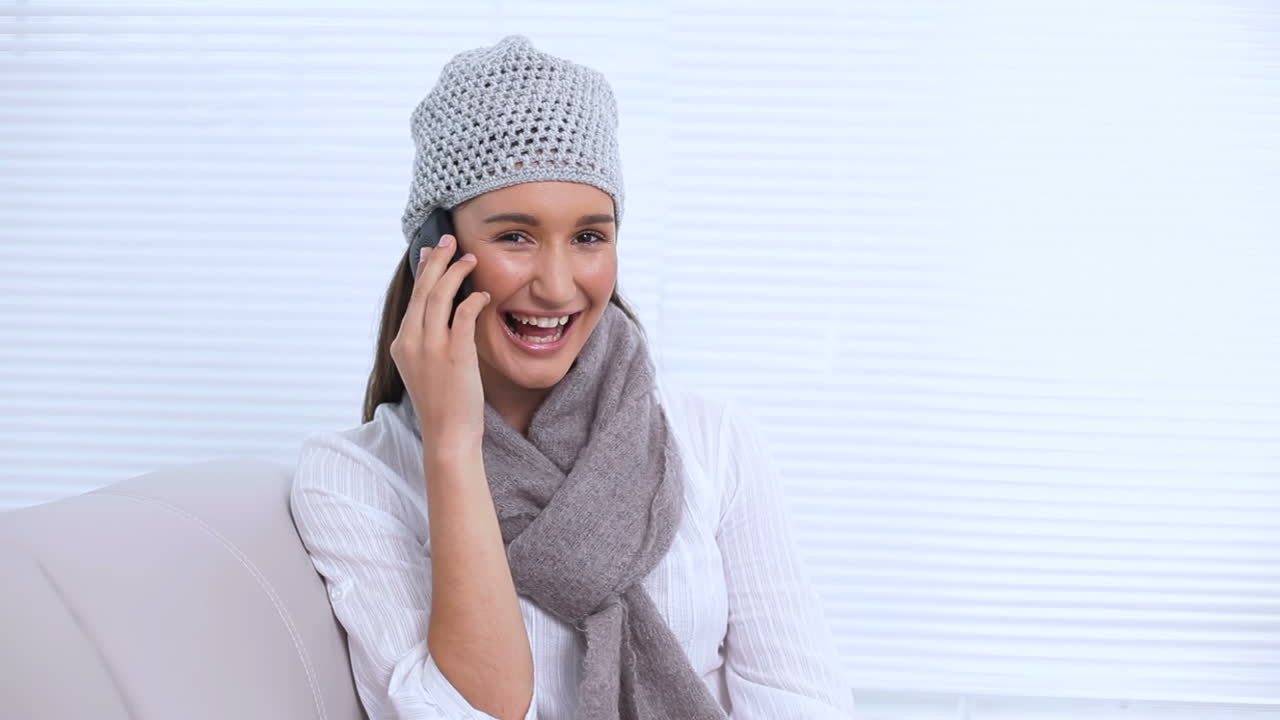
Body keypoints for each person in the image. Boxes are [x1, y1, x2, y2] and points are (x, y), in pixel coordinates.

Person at [289, 34, 854, 720]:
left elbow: (803, 702)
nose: (557, 288)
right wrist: (451, 448)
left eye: (589, 236)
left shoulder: (713, 441)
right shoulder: (355, 480)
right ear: (434, 252)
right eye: (514, 237)